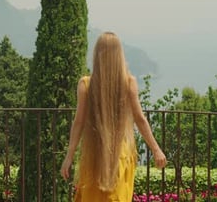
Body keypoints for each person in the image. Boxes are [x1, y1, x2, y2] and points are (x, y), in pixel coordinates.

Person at [60, 32, 167, 201]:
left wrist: (69, 157)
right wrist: (156, 149)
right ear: (119, 55)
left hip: (93, 156)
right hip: (120, 155)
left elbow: (78, 123)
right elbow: (140, 119)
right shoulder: (128, 82)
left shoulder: (86, 84)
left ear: (97, 55)